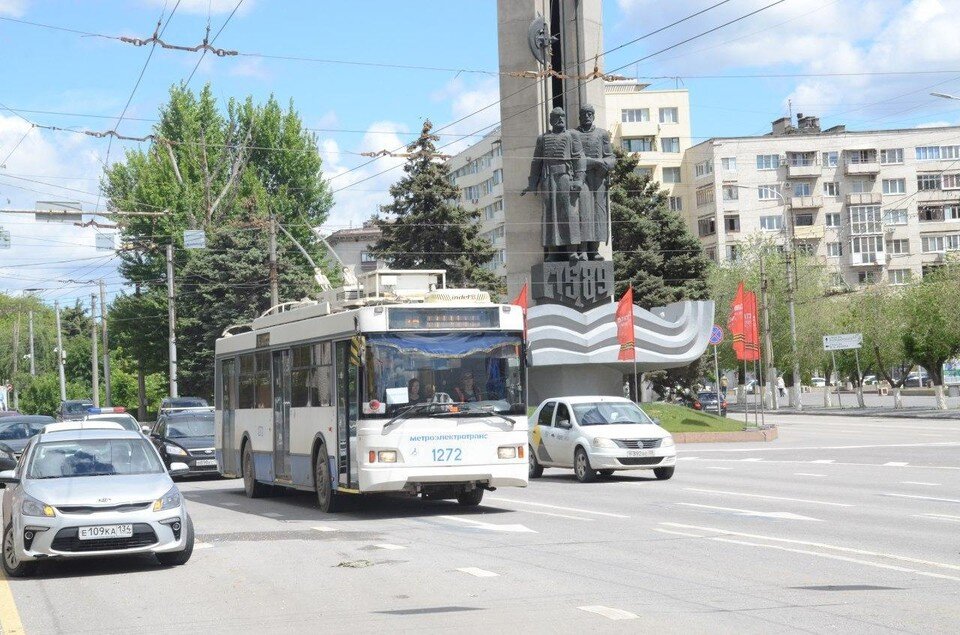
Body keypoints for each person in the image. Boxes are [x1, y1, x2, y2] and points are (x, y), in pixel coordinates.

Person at [523, 106, 586, 262]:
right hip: (548, 179)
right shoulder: (543, 138)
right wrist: (532, 183)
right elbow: (536, 162)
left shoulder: (572, 136)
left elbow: (579, 158)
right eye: (556, 117)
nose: (560, 119)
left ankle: (572, 251)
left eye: (562, 116)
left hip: (566, 177)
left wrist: (579, 179)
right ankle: (552, 252)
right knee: (550, 216)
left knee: (569, 214)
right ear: (550, 120)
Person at [574, 104, 616, 261]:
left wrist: (606, 164)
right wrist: (595, 161)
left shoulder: (602, 134)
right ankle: (582, 249)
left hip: (598, 178)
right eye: (584, 114)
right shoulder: (574, 134)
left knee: (599, 213)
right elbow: (576, 159)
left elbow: (611, 157)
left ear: (594, 115)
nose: (587, 116)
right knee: (584, 212)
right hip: (582, 177)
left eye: (590, 113)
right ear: (579, 117)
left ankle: (594, 250)